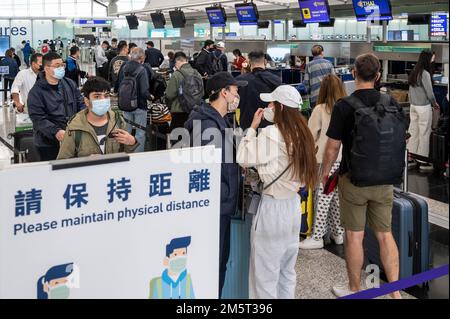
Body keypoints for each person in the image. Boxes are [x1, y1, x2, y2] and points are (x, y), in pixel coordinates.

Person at [321, 53, 406, 299]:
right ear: (378, 76)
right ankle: (395, 292)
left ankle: (355, 288)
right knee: (385, 234)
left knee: (354, 235)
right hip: (385, 180)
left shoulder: (344, 106)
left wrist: (325, 174)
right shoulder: (391, 102)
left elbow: (332, 148)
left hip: (354, 180)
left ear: (354, 74)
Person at [237, 85, 318, 299]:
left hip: (272, 209)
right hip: (292, 208)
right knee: (286, 271)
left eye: (271, 103)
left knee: (264, 277)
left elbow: (243, 158)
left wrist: (252, 128)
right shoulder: (304, 134)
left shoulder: (271, 134)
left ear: (281, 107)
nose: (267, 107)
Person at [184, 72, 247, 297]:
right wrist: (224, 194)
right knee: (212, 264)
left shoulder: (219, 120)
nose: (237, 95)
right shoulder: (205, 125)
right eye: (235, 91)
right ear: (224, 92)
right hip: (213, 208)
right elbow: (204, 171)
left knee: (220, 261)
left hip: (221, 204)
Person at [300, 74, 346, 250]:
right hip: (342, 160)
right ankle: (338, 233)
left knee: (323, 197)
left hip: (325, 160)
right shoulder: (346, 108)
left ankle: (317, 236)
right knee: (335, 198)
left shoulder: (320, 109)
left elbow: (310, 136)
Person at [57, 77, 138, 159]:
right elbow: (62, 161)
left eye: (106, 96)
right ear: (87, 101)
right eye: (97, 96)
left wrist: (132, 142)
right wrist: (85, 161)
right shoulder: (75, 127)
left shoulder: (118, 121)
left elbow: (126, 155)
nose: (103, 100)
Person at [28, 52, 85, 161]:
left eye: (62, 65)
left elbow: (80, 104)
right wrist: (56, 131)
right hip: (48, 143)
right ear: (46, 68)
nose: (61, 68)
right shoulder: (36, 92)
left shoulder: (69, 84)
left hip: (72, 138)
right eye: (57, 66)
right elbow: (38, 118)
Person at [408, 50, 439, 172]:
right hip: (423, 107)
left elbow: (410, 91)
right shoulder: (425, 73)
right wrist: (434, 104)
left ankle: (410, 158)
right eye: (432, 57)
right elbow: (430, 93)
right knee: (424, 133)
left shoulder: (414, 72)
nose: (433, 59)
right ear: (427, 58)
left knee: (413, 131)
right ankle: (423, 161)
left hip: (413, 106)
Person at [117, 47, 152, 153]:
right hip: (139, 106)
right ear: (142, 57)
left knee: (125, 132)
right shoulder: (142, 69)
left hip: (125, 104)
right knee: (140, 133)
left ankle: (125, 153)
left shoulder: (123, 66)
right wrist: (150, 97)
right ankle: (138, 156)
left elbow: (117, 84)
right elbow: (144, 91)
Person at [236, 51, 282, 130]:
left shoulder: (240, 80)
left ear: (249, 62)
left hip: (247, 124)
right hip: (269, 125)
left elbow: (236, 104)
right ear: (265, 61)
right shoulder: (275, 79)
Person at [165, 51, 203, 131]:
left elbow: (169, 94)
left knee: (178, 140)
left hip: (179, 111)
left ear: (177, 61)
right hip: (195, 111)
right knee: (194, 139)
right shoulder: (197, 73)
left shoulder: (176, 74)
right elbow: (202, 92)